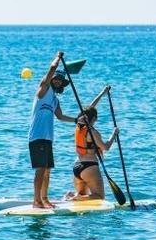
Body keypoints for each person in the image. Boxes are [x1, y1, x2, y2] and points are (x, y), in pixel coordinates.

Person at [29, 51, 78, 208]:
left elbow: (61, 117)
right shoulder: (43, 91)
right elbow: (51, 68)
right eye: (56, 79)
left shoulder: (55, 100)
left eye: (60, 81)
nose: (57, 82)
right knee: (41, 169)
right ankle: (36, 201)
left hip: (48, 138)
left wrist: (77, 120)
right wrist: (58, 57)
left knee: (48, 170)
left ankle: (44, 199)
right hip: (37, 136)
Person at [67, 91, 119, 201]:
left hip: (77, 166)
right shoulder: (93, 132)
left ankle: (72, 195)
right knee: (99, 197)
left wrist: (102, 94)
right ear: (94, 118)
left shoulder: (79, 127)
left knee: (84, 195)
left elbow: (90, 108)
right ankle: (77, 197)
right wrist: (114, 134)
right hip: (89, 167)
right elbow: (106, 147)